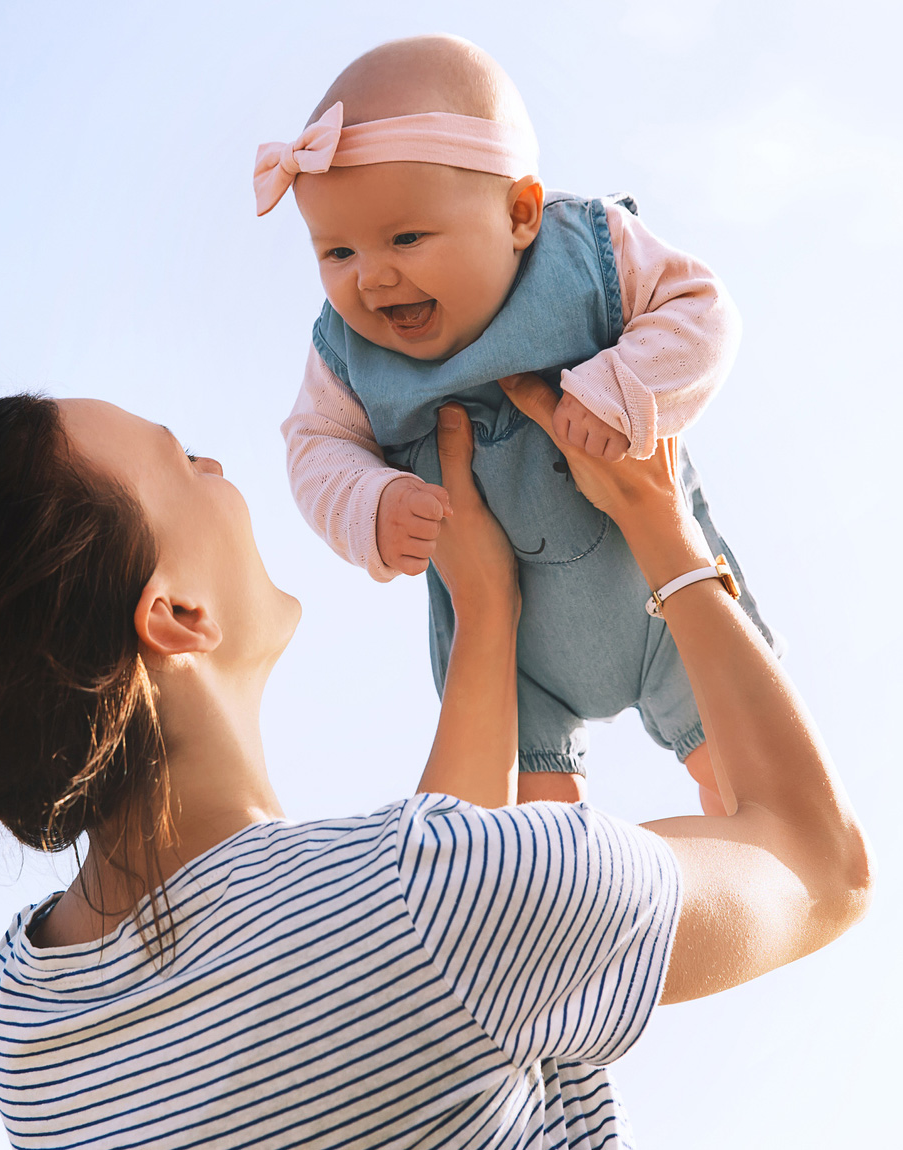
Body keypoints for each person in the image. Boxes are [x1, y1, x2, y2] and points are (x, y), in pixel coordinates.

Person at [0, 377, 871, 1148]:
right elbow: (821, 867)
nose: (217, 466)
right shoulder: (442, 906)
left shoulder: (32, 1020)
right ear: (175, 615)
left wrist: (485, 610)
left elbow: (399, 977)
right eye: (183, 462)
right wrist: (661, 525)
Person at [261, 34, 778, 813]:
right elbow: (315, 445)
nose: (372, 276)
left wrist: (623, 388)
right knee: (531, 842)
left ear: (520, 214)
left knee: (750, 785)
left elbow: (702, 311)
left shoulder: (586, 253)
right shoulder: (345, 356)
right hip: (515, 656)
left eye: (406, 237)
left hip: (662, 594)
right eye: (336, 252)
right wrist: (369, 503)